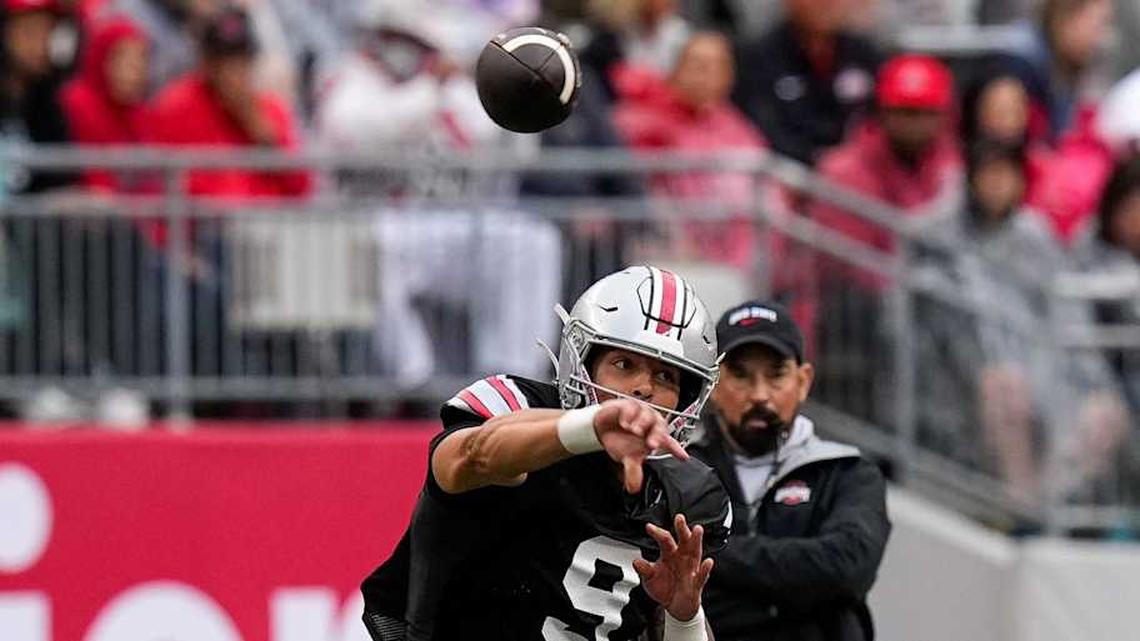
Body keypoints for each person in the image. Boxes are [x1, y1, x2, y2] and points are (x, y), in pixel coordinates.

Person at [361, 266, 733, 641]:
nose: (642, 388)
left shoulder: (686, 492)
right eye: (624, 365)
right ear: (583, 362)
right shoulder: (520, 409)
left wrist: (684, 617)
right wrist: (589, 427)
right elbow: (471, 456)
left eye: (666, 377)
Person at [687, 299, 890, 641]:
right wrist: (799, 581)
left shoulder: (848, 472)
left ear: (804, 381)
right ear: (714, 386)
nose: (760, 395)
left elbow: (847, 567)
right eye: (740, 375)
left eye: (776, 374)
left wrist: (715, 555)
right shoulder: (683, 471)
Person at [613, 31, 766, 271]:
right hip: (662, 253)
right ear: (676, 71)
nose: (705, 76)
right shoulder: (644, 118)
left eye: (715, 67)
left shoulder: (740, 130)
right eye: (697, 65)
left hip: (730, 261)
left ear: (729, 76)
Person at [732, 0, 880, 166]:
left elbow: (879, 119)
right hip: (789, 174)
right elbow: (758, 128)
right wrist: (817, 159)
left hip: (862, 173)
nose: (827, 4)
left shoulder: (865, 53)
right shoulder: (758, 57)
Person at [59, 16, 150, 192]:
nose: (135, 71)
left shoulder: (139, 112)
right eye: (124, 60)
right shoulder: (76, 102)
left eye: (141, 60)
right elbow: (93, 176)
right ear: (101, 58)